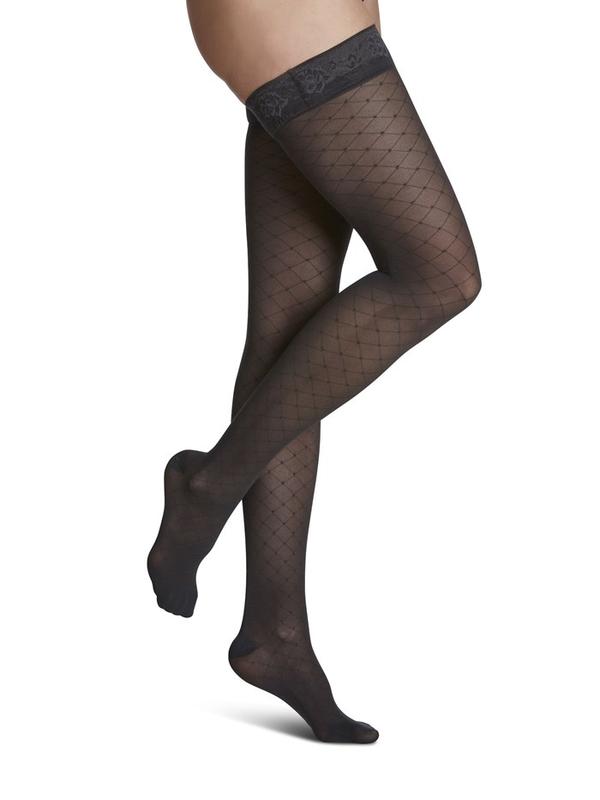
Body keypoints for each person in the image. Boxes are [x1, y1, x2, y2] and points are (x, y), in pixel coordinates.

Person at [148, 0, 482, 744]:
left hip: (318, 19)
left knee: (291, 336)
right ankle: (209, 485)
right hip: (294, 15)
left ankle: (275, 632)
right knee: (441, 274)